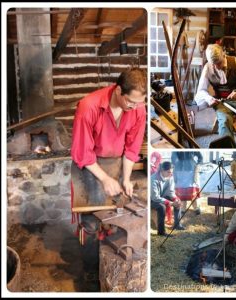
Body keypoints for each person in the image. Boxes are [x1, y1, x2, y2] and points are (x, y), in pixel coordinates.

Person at [71, 68, 147, 289]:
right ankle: (89, 271)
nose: (135, 107)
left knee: (115, 215)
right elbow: (82, 153)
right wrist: (104, 179)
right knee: (91, 223)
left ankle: (109, 261)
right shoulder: (89, 107)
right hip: (88, 165)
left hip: (115, 162)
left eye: (139, 103)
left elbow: (132, 148)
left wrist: (125, 178)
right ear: (118, 90)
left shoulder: (138, 109)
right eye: (131, 102)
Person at [194, 44, 236, 142]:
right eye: (213, 64)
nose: (216, 67)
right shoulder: (208, 67)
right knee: (225, 120)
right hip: (222, 103)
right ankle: (227, 147)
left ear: (224, 55)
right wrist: (209, 99)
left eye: (218, 63)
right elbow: (201, 90)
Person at [151, 161, 185, 236]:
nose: (171, 174)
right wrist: (170, 203)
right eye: (168, 172)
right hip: (152, 200)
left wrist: (175, 199)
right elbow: (155, 197)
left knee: (177, 202)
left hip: (162, 197)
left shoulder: (170, 177)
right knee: (161, 207)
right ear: (162, 170)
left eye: (171, 172)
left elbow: (170, 192)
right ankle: (161, 232)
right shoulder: (153, 179)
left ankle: (177, 225)